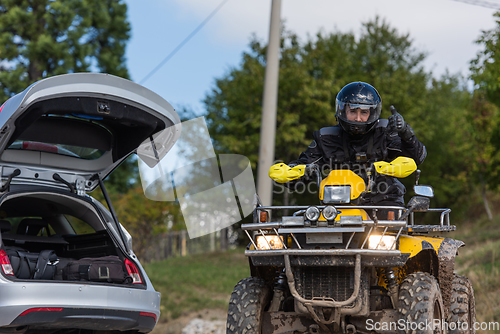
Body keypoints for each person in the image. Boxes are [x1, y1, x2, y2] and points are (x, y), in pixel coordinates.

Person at [286, 81, 427, 209]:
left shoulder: (386, 132)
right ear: (342, 110)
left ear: (372, 113)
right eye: (353, 111)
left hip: (385, 202)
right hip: (338, 205)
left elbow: (418, 158)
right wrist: (293, 172)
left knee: (392, 231)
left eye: (364, 112)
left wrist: (406, 133)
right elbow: (298, 172)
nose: (358, 118)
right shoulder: (326, 138)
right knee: (301, 233)